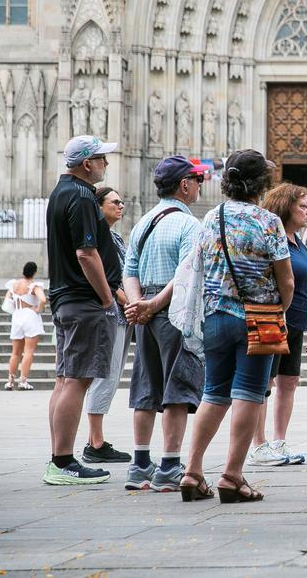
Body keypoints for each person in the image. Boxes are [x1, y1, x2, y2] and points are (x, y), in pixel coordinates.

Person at [180, 149, 294, 504]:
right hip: (257, 318)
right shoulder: (268, 222)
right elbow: (286, 280)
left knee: (214, 393)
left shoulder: (212, 217)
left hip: (215, 317)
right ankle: (231, 475)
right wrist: (279, 310)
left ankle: (192, 471)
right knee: (248, 393)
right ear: (261, 183)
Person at [122, 155, 208, 492]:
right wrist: (155, 304)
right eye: (197, 180)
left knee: (146, 385)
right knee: (177, 387)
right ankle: (170, 464)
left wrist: (136, 306)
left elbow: (130, 270)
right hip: (173, 308)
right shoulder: (190, 225)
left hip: (142, 307)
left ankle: (140, 464)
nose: (200, 186)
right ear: (184, 185)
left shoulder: (143, 221)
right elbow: (186, 273)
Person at [43, 134, 120, 485]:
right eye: (102, 158)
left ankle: (58, 457)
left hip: (63, 297)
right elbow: (87, 253)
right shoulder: (83, 197)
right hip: (83, 299)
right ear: (87, 163)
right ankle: (62, 461)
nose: (106, 163)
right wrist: (106, 299)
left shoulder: (59, 194)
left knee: (65, 379)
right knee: (77, 379)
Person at [248, 183, 307, 467]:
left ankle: (278, 441)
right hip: (275, 320)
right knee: (265, 382)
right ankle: (258, 445)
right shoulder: (275, 238)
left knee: (289, 381)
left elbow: (304, 284)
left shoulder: (297, 241)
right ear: (285, 207)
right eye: (302, 206)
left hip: (297, 322)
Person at [80, 187, 133, 465]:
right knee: (106, 374)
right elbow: (107, 278)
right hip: (112, 312)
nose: (120, 205)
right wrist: (123, 299)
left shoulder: (113, 236)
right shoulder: (99, 237)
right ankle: (96, 442)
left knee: (111, 375)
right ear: (98, 206)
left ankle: (94, 439)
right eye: (114, 202)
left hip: (121, 313)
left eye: (122, 201)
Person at [5, 261, 46, 390]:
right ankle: (23, 381)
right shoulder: (33, 285)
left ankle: (10, 381)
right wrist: (38, 309)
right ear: (34, 272)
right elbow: (43, 299)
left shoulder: (14, 285)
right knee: (28, 351)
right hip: (30, 316)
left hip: (17, 316)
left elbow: (7, 300)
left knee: (15, 352)